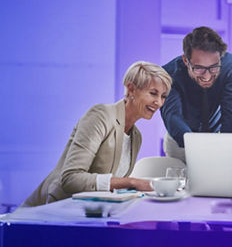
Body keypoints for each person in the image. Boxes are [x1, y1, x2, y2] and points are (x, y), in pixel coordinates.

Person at [21, 61, 172, 207]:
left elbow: (109, 187)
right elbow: (71, 178)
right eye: (153, 93)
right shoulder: (101, 116)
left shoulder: (136, 137)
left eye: (163, 96)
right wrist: (131, 182)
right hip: (51, 211)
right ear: (131, 89)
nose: (158, 102)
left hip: (90, 213)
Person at [161, 26, 232, 162]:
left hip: (217, 138)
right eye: (199, 68)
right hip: (180, 142)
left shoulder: (230, 68)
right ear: (186, 60)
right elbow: (173, 117)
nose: (206, 77)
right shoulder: (168, 74)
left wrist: (225, 148)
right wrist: (198, 148)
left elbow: (230, 114)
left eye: (213, 68)